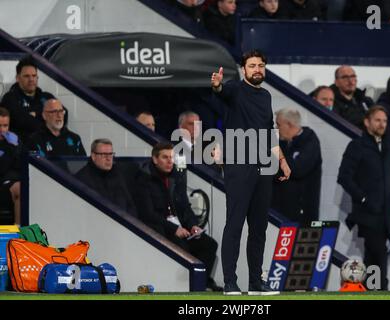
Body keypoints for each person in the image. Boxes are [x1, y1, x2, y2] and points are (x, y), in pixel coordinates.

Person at [210, 50, 291, 295]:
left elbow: (269, 132)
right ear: (243, 69)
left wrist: (283, 161)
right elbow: (222, 91)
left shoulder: (266, 96)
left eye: (261, 65)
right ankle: (230, 282)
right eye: (252, 65)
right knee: (234, 225)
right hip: (238, 165)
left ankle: (256, 282)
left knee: (259, 228)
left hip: (264, 166)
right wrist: (217, 86)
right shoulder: (235, 89)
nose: (257, 69)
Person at [134, 142, 222, 292]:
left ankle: (204, 281)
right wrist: (174, 229)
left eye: (172, 157)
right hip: (161, 229)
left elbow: (184, 206)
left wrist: (194, 225)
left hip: (181, 227)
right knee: (183, 248)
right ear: (155, 159)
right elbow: (148, 214)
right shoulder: (144, 180)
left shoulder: (175, 177)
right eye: (165, 157)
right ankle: (189, 285)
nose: (170, 161)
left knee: (210, 244)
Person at [337, 106, 390, 290]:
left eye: (385, 121)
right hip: (367, 213)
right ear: (367, 122)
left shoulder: (388, 148)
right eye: (378, 120)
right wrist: (363, 199)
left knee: (373, 256)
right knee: (379, 253)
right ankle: (381, 290)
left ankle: (368, 289)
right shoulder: (357, 146)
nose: (382, 124)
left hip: (385, 213)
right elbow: (344, 177)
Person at [272, 108, 322, 225]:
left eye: (278, 124)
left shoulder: (310, 142)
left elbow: (297, 170)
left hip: (302, 215)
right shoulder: (280, 142)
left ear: (289, 124)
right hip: (278, 210)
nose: (276, 128)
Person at [0, 56, 56, 142]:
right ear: (18, 78)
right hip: (22, 150)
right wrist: (48, 117)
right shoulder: (10, 98)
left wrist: (36, 114)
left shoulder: (47, 97)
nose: (31, 79)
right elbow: (23, 122)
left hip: (48, 147)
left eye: (34, 76)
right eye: (26, 76)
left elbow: (63, 114)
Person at [76, 139, 137, 217]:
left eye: (111, 154)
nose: (108, 159)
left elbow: (130, 205)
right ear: (94, 156)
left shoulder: (118, 174)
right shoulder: (82, 178)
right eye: (104, 155)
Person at [0, 107, 21, 225]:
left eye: (5, 126)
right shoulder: (11, 144)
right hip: (2, 181)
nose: (2, 130)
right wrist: (11, 148)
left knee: (22, 186)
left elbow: (20, 164)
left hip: (12, 180)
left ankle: (19, 229)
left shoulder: (14, 140)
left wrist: (15, 147)